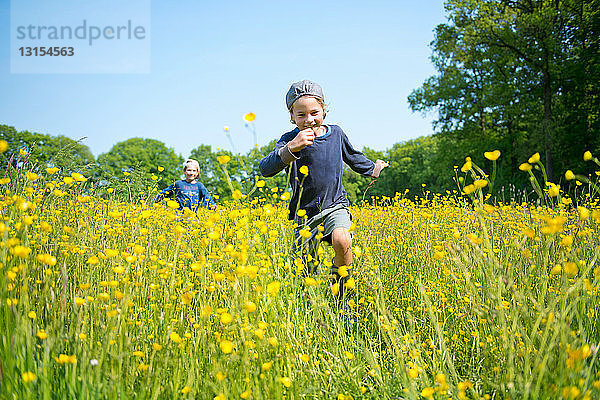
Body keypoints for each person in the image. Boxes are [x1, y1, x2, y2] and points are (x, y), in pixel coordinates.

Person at [259, 80, 388, 298]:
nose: (308, 120)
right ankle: (309, 307)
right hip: (305, 213)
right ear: (292, 116)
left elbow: (353, 157)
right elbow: (266, 168)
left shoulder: (336, 133)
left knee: (342, 239)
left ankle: (341, 295)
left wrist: (373, 168)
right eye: (301, 115)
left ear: (324, 110)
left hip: (335, 205)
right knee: (304, 271)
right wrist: (292, 147)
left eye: (314, 112)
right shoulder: (289, 139)